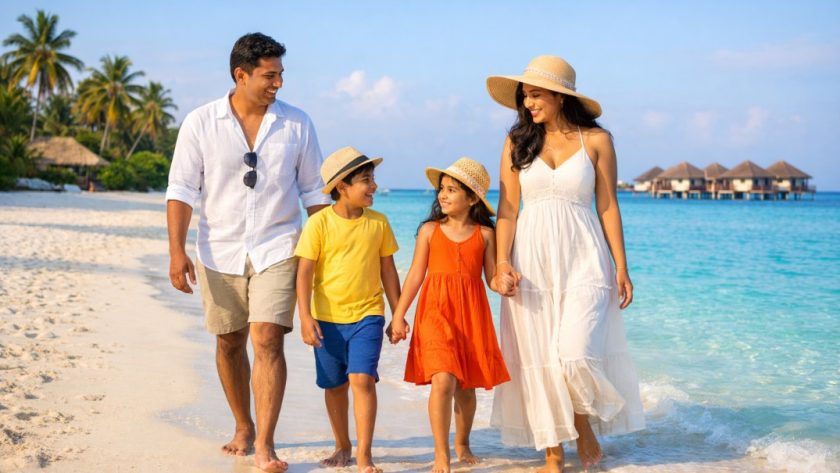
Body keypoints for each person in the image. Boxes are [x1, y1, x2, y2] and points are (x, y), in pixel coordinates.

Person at [166, 33, 329, 473]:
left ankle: (265, 444)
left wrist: (329, 252)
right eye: (269, 75)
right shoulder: (201, 123)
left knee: (268, 337)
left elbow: (315, 193)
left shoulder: (297, 124)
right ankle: (243, 425)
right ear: (241, 75)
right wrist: (176, 251)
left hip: (280, 245)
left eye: (280, 74)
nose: (278, 83)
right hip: (218, 249)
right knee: (229, 341)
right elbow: (181, 189)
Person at [486, 55, 645, 472]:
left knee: (575, 354)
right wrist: (501, 262)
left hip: (586, 257)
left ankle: (583, 424)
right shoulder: (516, 142)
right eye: (525, 96)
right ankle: (553, 454)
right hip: (531, 260)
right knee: (541, 356)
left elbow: (608, 206)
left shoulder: (597, 140)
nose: (528, 103)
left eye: (536, 95)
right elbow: (507, 209)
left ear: (560, 96)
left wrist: (622, 266)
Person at [389, 157, 511, 473]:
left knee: (466, 389)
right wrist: (399, 315)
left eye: (452, 190)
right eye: (442, 189)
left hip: (471, 316)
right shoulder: (430, 231)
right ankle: (441, 453)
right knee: (443, 379)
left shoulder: (485, 234)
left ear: (472, 199)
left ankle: (463, 443)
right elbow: (415, 275)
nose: (443, 195)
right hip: (434, 312)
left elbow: (491, 278)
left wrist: (505, 283)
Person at [295, 146, 401, 473]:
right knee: (334, 385)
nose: (373, 186)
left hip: (368, 315)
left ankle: (365, 456)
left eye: (372, 179)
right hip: (327, 319)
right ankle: (343, 445)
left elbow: (388, 271)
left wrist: (397, 314)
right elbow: (305, 273)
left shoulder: (379, 223)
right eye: (366, 180)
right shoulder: (319, 223)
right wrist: (305, 317)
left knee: (362, 379)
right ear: (342, 186)